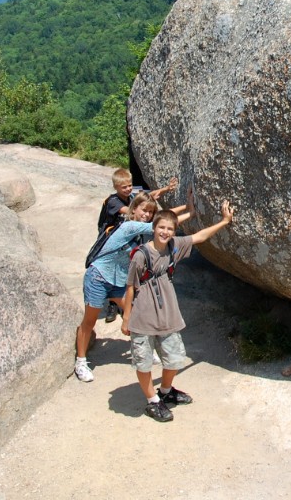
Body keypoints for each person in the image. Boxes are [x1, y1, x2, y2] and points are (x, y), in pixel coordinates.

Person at [121, 200, 235, 422]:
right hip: (143, 316)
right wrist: (126, 318)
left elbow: (200, 237)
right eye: (161, 227)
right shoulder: (141, 255)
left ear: (174, 231)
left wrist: (224, 221)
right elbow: (129, 287)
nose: (165, 232)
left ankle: (165, 391)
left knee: (173, 358)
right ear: (153, 228)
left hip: (168, 314)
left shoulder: (175, 246)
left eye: (170, 228)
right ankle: (152, 401)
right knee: (143, 362)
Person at [74, 193, 192, 382]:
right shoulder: (129, 226)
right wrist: (190, 211)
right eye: (144, 210)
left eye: (151, 212)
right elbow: (163, 223)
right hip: (98, 277)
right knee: (90, 320)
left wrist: (186, 209)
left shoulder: (141, 234)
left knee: (136, 313)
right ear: (133, 209)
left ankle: (144, 350)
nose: (147, 214)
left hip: (118, 281)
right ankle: (81, 361)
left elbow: (162, 220)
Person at [96, 170, 177, 323]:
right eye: (123, 187)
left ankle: (126, 300)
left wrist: (166, 189)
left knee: (127, 269)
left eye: (129, 186)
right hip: (112, 240)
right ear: (115, 187)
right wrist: (147, 212)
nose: (127, 189)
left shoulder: (130, 197)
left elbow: (145, 199)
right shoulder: (114, 201)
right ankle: (113, 305)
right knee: (115, 272)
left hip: (129, 240)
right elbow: (131, 211)